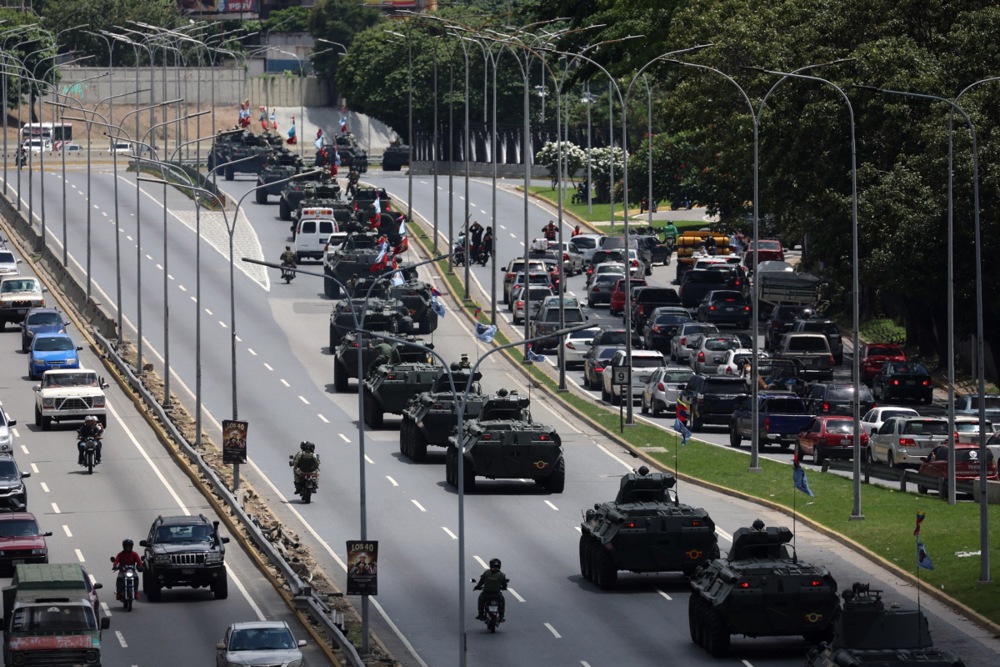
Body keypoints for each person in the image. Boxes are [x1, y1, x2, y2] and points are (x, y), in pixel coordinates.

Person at [474, 557, 509, 622]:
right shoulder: (502, 575)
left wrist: (477, 587)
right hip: (496, 595)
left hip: (486, 594)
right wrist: (504, 588)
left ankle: (480, 614)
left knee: (481, 599)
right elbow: (505, 585)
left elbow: (481, 583)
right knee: (502, 600)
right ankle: (501, 616)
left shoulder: (486, 573)